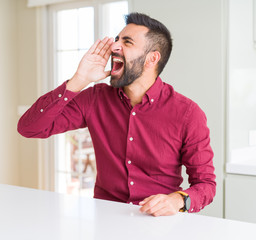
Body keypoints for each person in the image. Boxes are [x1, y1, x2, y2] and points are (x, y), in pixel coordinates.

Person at [18, 12, 216, 217]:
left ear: (152, 58)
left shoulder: (188, 113)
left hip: (158, 223)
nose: (114, 47)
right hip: (105, 221)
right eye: (116, 40)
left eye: (127, 42)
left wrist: (177, 200)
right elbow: (30, 128)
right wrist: (79, 79)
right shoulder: (95, 98)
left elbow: (206, 184)